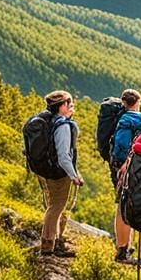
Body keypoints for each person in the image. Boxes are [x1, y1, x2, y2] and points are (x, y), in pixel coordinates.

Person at [110, 88, 141, 266]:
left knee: (121, 205)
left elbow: (118, 144)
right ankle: (126, 249)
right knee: (128, 205)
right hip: (136, 166)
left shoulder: (120, 119)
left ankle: (122, 247)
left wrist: (119, 163)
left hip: (120, 167)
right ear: (137, 103)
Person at [38, 90, 84, 257]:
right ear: (61, 106)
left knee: (54, 206)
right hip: (59, 173)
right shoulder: (62, 126)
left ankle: (55, 241)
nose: (72, 106)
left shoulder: (48, 120)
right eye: (69, 103)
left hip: (47, 170)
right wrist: (74, 176)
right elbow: (64, 156)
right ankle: (48, 245)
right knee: (56, 207)